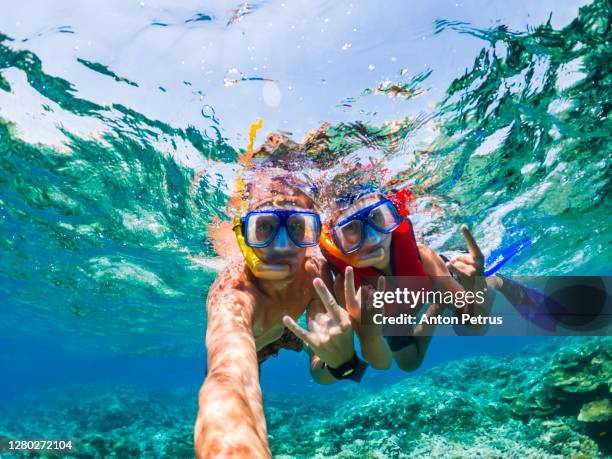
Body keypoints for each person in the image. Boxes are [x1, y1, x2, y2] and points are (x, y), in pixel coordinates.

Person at [194, 175, 386, 458]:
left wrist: (343, 361)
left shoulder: (315, 273)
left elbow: (320, 372)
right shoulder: (233, 293)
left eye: (298, 228)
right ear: (244, 235)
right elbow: (229, 382)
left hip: (290, 327)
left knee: (351, 368)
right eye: (265, 228)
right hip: (255, 344)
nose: (282, 246)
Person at [320, 186, 495, 372]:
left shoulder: (422, 255)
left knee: (472, 328)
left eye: (377, 217)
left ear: (391, 215)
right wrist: (368, 333)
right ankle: (438, 305)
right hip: (395, 318)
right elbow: (379, 363)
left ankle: (493, 282)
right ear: (336, 242)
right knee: (409, 364)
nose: (372, 238)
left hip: (433, 280)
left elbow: (475, 320)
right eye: (352, 228)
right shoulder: (346, 287)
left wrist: (477, 281)